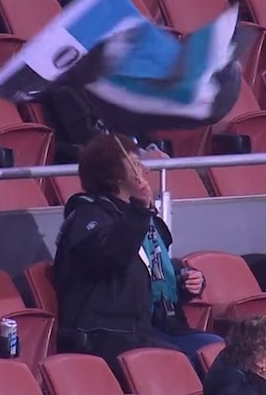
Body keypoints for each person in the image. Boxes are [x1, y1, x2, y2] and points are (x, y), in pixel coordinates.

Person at [52, 133, 222, 378]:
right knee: (188, 364)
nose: (145, 170)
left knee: (226, 353)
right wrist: (139, 210)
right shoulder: (87, 217)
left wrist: (186, 280)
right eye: (136, 163)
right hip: (105, 333)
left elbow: (150, 272)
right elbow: (112, 257)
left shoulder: (140, 219)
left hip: (154, 328)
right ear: (116, 174)